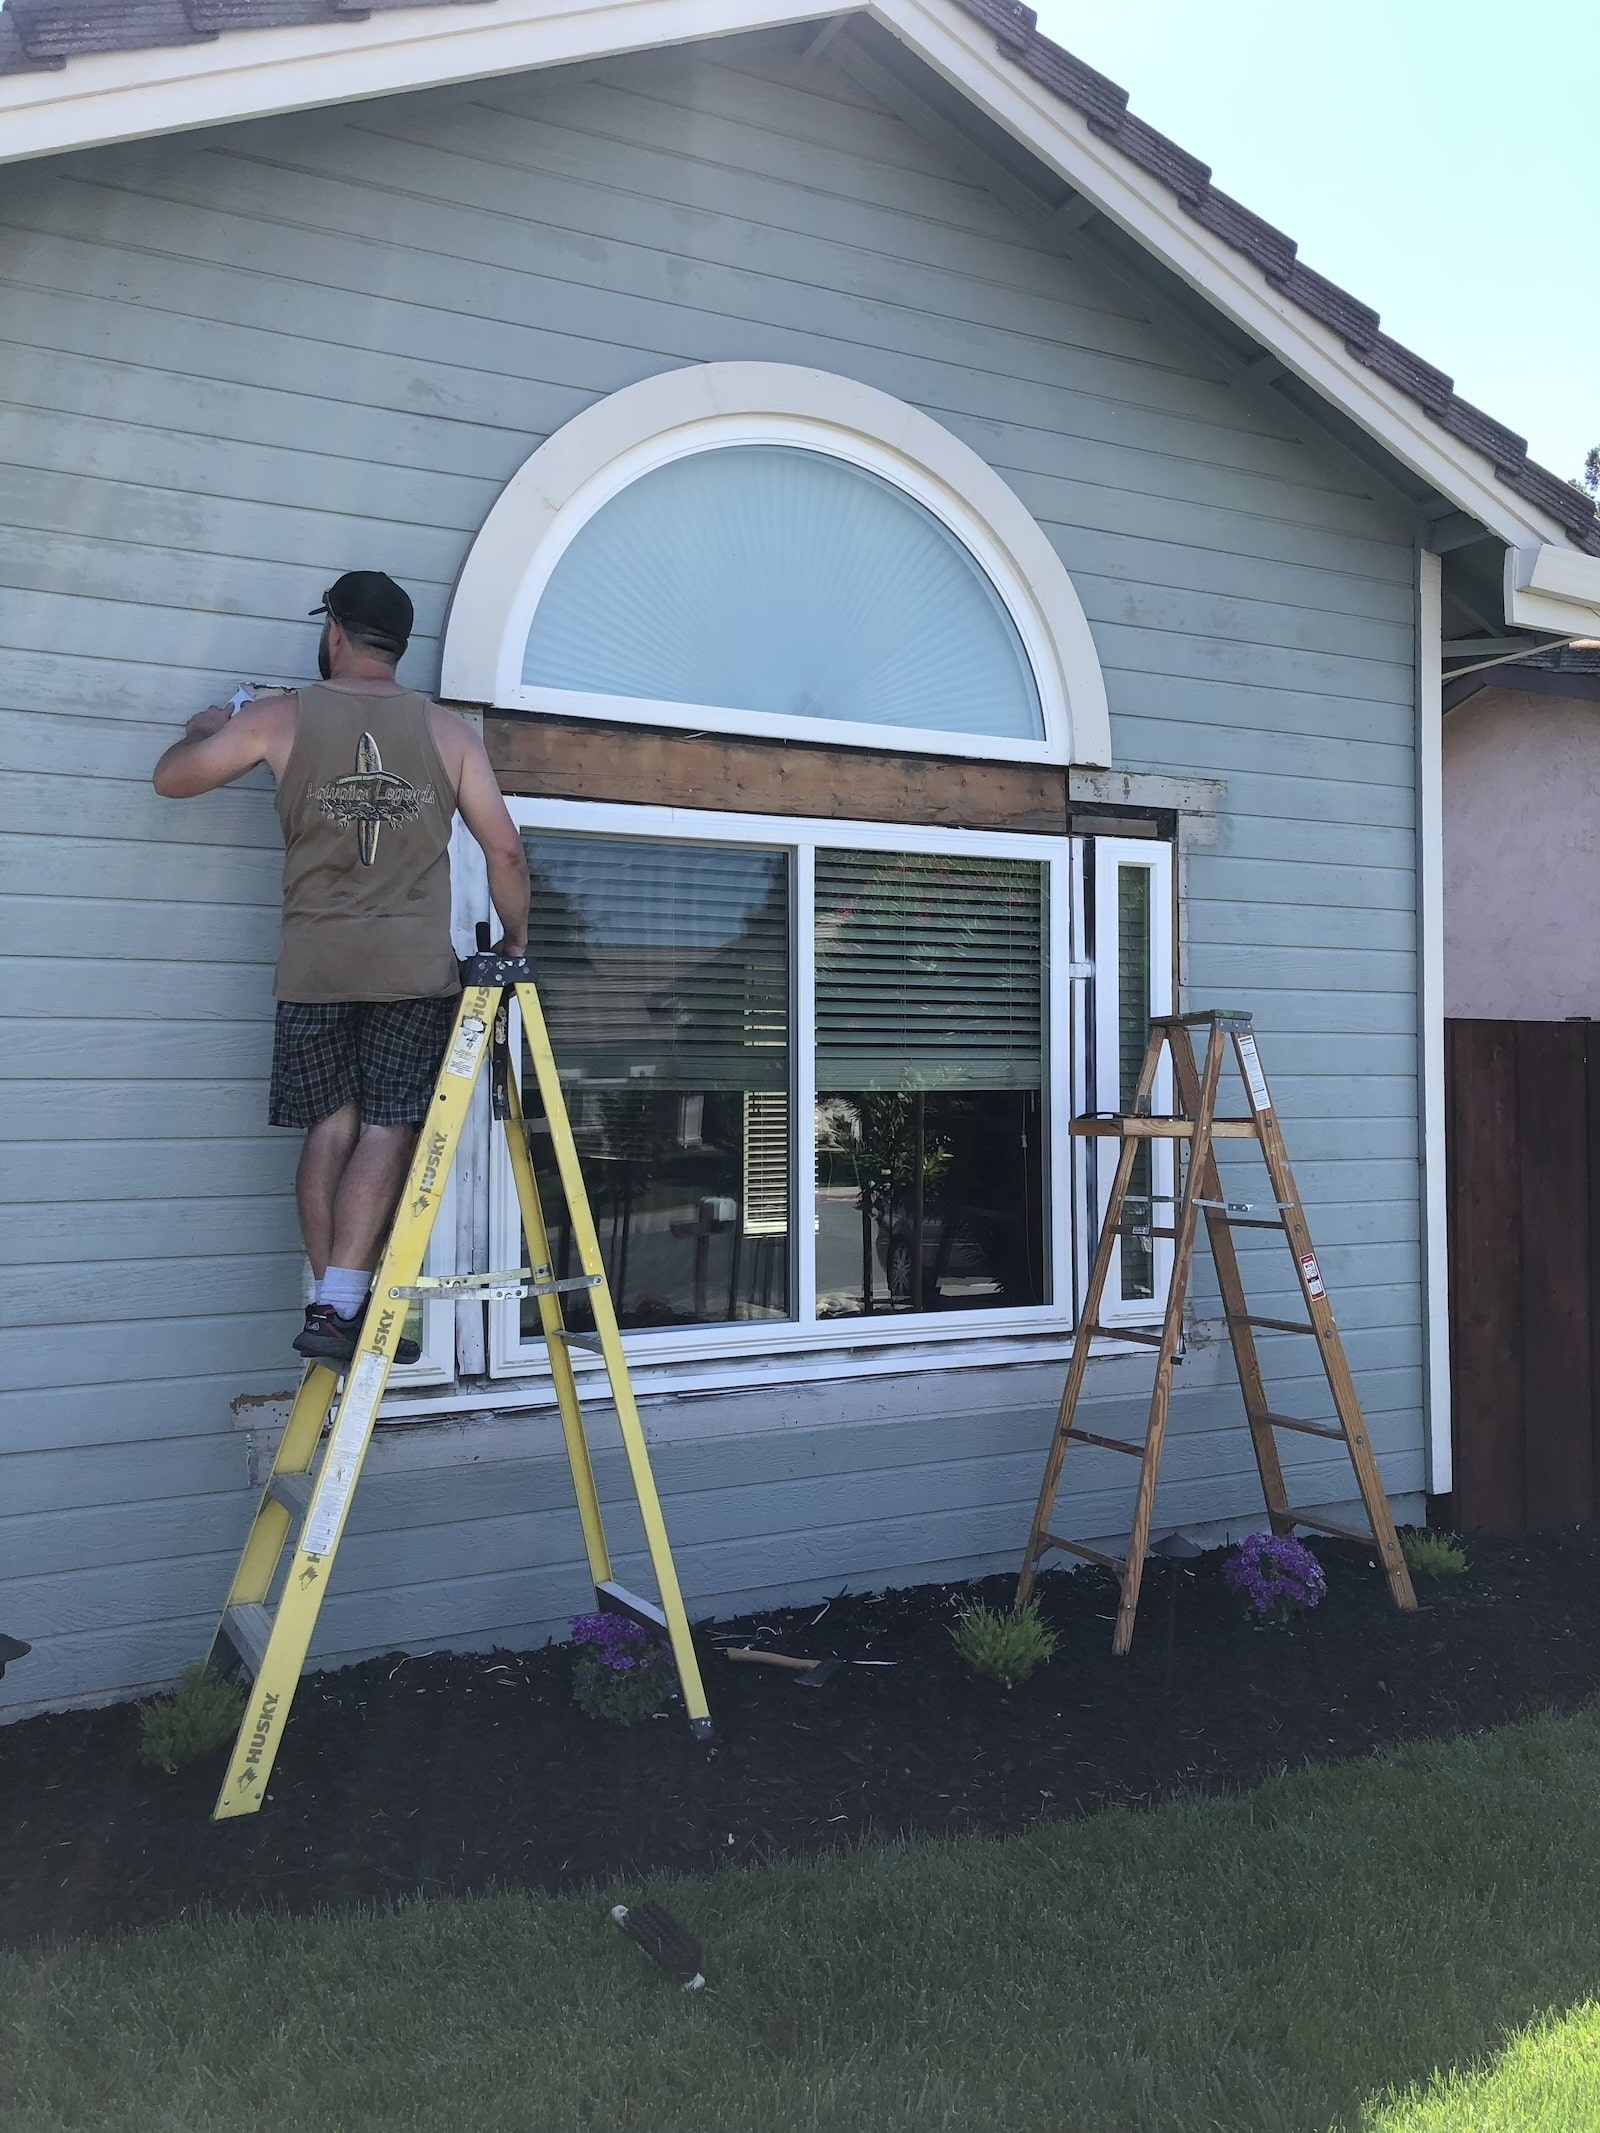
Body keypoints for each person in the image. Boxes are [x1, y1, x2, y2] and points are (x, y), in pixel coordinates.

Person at [153, 571, 531, 1366]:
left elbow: (174, 778)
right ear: (397, 642)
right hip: (411, 970)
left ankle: (331, 1307)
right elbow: (502, 848)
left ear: (334, 630)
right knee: (389, 1124)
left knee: (332, 1125)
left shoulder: (277, 719)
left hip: (314, 965)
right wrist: (513, 939)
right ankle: (341, 1302)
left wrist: (207, 725)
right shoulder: (448, 733)